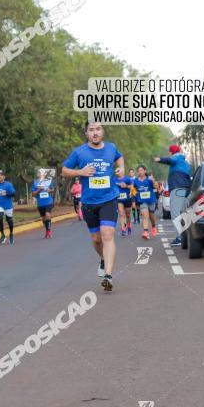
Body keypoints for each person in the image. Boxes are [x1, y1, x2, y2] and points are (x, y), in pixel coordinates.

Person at [62, 122, 124, 292]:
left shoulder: (111, 148)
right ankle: (103, 259)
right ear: (86, 133)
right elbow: (64, 170)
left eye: (98, 129)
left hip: (109, 198)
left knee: (108, 234)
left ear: (102, 131)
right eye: (91, 130)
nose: (95, 133)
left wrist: (121, 169)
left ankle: (108, 276)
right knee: (96, 239)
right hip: (89, 202)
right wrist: (80, 172)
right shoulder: (79, 152)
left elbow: (119, 158)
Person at [154, 144, 193, 247]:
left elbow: (171, 160)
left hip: (177, 189)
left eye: (170, 152)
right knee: (184, 214)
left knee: (176, 214)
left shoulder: (176, 158)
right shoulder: (185, 163)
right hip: (186, 190)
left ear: (171, 152)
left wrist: (160, 159)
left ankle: (181, 237)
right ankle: (186, 236)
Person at [0, 169, 16, 244]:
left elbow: (14, 194)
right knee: (0, 217)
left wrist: (6, 194)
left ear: (4, 176)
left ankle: (11, 233)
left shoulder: (8, 184)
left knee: (9, 221)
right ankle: (2, 235)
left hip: (8, 205)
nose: (0, 176)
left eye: (1, 175)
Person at [133, 165, 158, 240]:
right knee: (145, 215)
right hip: (142, 201)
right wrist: (133, 201)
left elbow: (156, 187)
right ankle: (146, 232)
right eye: (139, 171)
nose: (140, 172)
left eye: (141, 170)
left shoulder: (149, 180)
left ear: (145, 171)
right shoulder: (135, 181)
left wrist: (153, 180)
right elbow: (133, 191)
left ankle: (153, 226)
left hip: (151, 200)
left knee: (151, 216)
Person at [31, 169, 55, 239]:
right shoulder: (35, 182)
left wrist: (49, 190)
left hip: (48, 202)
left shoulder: (48, 181)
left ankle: (49, 231)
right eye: (38, 172)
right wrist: (38, 190)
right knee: (43, 218)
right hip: (40, 203)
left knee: (48, 215)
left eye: (39, 172)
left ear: (43, 174)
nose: (38, 173)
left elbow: (52, 189)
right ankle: (47, 230)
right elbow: (33, 193)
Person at [116, 170, 134, 237]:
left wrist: (126, 186)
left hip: (127, 198)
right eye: (116, 171)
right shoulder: (114, 179)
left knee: (128, 215)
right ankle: (123, 230)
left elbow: (132, 187)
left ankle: (128, 226)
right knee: (121, 214)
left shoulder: (127, 179)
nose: (117, 172)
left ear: (122, 172)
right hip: (119, 198)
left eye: (118, 171)